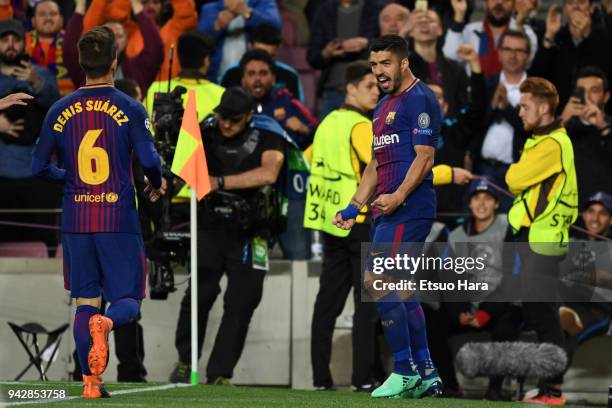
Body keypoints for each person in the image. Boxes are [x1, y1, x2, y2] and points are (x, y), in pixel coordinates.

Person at [31, 27, 165, 398]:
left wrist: (70, 176)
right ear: (114, 62)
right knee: (127, 302)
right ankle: (106, 325)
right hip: (117, 218)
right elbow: (151, 160)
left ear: (81, 63)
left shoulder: (59, 109)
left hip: (75, 220)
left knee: (84, 301)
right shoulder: (129, 107)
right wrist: (156, 181)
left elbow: (38, 168)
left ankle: (90, 383)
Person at [333, 35, 442, 399]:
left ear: (403, 63)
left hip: (410, 207)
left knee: (376, 279)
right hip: (386, 209)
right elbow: (375, 165)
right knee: (401, 289)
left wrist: (398, 195)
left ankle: (404, 368)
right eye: (374, 64)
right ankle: (426, 372)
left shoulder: (421, 99)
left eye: (385, 64)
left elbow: (425, 157)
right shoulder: (381, 106)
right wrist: (353, 207)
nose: (379, 71)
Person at [169, 87, 286, 385]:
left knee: (242, 301)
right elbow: (183, 168)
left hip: (252, 231)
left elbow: (269, 173)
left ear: (249, 117)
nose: (226, 125)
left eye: (234, 120)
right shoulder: (206, 135)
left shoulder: (269, 135)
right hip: (210, 226)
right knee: (199, 295)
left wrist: (219, 181)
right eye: (223, 117)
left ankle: (220, 372)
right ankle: (185, 361)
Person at [304, 60, 383, 391]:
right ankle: (363, 378)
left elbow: (308, 158)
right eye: (369, 86)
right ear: (350, 88)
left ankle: (321, 379)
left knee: (326, 306)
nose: (376, 92)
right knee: (366, 307)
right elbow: (379, 166)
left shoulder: (326, 123)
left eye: (378, 86)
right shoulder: (361, 126)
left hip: (329, 224)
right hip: (358, 223)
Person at [505, 77, 578, 405]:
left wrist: (515, 174)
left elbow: (514, 178)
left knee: (540, 312)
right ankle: (551, 387)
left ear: (545, 108)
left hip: (543, 240)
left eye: (525, 106)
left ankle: (555, 390)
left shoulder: (552, 144)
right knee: (539, 310)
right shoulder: (540, 139)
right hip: (536, 237)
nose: (520, 112)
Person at [425, 178, 522, 400]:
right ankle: (449, 386)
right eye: (476, 198)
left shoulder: (508, 227)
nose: (481, 203)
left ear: (497, 203)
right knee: (430, 323)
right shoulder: (457, 235)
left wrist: (486, 311)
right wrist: (459, 311)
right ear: (469, 204)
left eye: (487, 198)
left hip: (502, 304)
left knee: (506, 327)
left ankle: (495, 389)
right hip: (468, 308)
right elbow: (450, 278)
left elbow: (513, 277)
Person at [240, 49, 317, 259]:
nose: (257, 79)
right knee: (251, 264)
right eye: (252, 73)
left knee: (299, 257)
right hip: (247, 196)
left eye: (263, 73)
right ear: (243, 78)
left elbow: (318, 133)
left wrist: (304, 129)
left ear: (273, 78)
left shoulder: (289, 104)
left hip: (290, 193)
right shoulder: (235, 106)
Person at [0, 18, 60, 248]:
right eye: (4, 39)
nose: (11, 44)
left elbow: (57, 107)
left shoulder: (41, 74)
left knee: (42, 243)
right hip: (2, 174)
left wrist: (36, 81)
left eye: (16, 39)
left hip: (35, 174)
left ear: (24, 44)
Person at [472, 30, 531, 212]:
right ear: (499, 52)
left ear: (529, 55)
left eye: (519, 51)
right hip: (483, 169)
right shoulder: (487, 84)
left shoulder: (537, 90)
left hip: (517, 173)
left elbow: (532, 130)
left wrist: (506, 108)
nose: (513, 55)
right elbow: (475, 122)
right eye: (507, 49)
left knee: (510, 229)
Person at [80, 0, 198, 81]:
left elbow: (186, 13)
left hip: (168, 93)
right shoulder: (128, 31)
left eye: (155, 2)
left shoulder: (174, 28)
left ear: (163, 7)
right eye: (144, 2)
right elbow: (116, 14)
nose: (150, 6)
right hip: (134, 91)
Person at [64, 0, 164, 95]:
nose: (114, 41)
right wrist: (80, 6)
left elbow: (155, 48)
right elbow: (70, 50)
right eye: (109, 35)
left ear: (126, 41)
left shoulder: (138, 68)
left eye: (119, 36)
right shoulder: (86, 68)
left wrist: (136, 5)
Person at [529, 0, 612, 110]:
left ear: (592, 8)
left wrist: (588, 37)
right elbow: (537, 79)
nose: (576, 7)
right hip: (560, 115)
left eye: (581, 2)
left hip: (597, 114)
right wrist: (549, 37)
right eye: (570, 3)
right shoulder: (556, 37)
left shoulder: (605, 38)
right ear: (565, 9)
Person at [307, 0, 382, 117]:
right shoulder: (324, 11)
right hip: (332, 92)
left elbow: (389, 43)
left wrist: (367, 43)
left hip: (367, 92)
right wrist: (327, 53)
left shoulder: (375, 9)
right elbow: (313, 57)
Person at [559, 192, 612, 345]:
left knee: (568, 342)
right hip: (571, 304)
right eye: (591, 212)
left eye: (602, 213)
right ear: (583, 215)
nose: (595, 219)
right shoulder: (571, 243)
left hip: (600, 311)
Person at [443, 0, 538, 78]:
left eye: (506, 0)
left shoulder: (524, 31)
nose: (499, 2)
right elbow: (450, 56)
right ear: (485, 4)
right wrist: (459, 16)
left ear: (514, 5)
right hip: (475, 92)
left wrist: (519, 26)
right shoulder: (471, 30)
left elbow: (527, 61)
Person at [561, 66, 612, 206]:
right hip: (570, 210)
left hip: (605, 213)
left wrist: (604, 127)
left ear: (606, 97)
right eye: (582, 91)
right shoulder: (562, 127)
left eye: (594, 91)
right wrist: (562, 121)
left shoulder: (609, 127)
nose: (587, 97)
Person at [219, 23, 304, 102]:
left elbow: (299, 110)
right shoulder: (231, 74)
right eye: (258, 55)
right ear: (250, 46)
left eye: (270, 56)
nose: (263, 61)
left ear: (278, 49)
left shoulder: (290, 76)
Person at [198, 0, 281, 81]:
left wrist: (248, 14)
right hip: (216, 78)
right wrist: (217, 26)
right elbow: (200, 43)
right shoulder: (210, 8)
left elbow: (275, 28)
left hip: (252, 80)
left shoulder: (263, 3)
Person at [409, 8, 469, 119]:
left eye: (430, 21)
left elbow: (463, 108)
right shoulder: (403, 68)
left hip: (449, 131)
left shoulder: (456, 69)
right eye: (419, 21)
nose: (424, 25)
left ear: (440, 29)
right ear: (410, 31)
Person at [26, 0, 76, 96]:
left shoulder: (73, 42)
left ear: (61, 20)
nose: (48, 18)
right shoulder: (21, 42)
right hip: (28, 103)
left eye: (53, 14)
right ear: (33, 21)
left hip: (68, 103)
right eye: (42, 14)